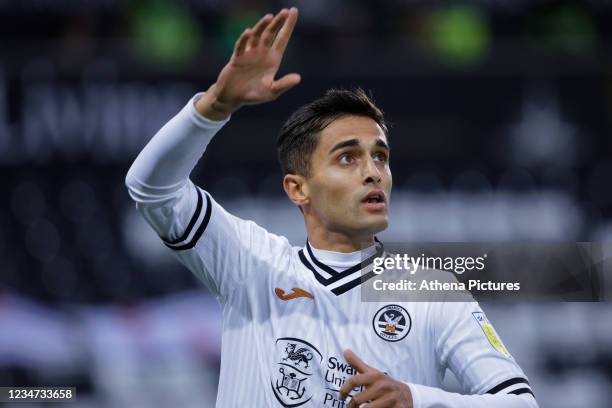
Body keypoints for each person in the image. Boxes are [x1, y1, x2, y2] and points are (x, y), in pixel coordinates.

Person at [125, 7, 538, 408]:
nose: (374, 172)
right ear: (297, 189)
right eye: (347, 158)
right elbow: (151, 190)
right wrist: (213, 107)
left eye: (381, 157)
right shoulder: (250, 263)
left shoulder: (432, 295)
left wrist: (418, 399)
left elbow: (520, 403)